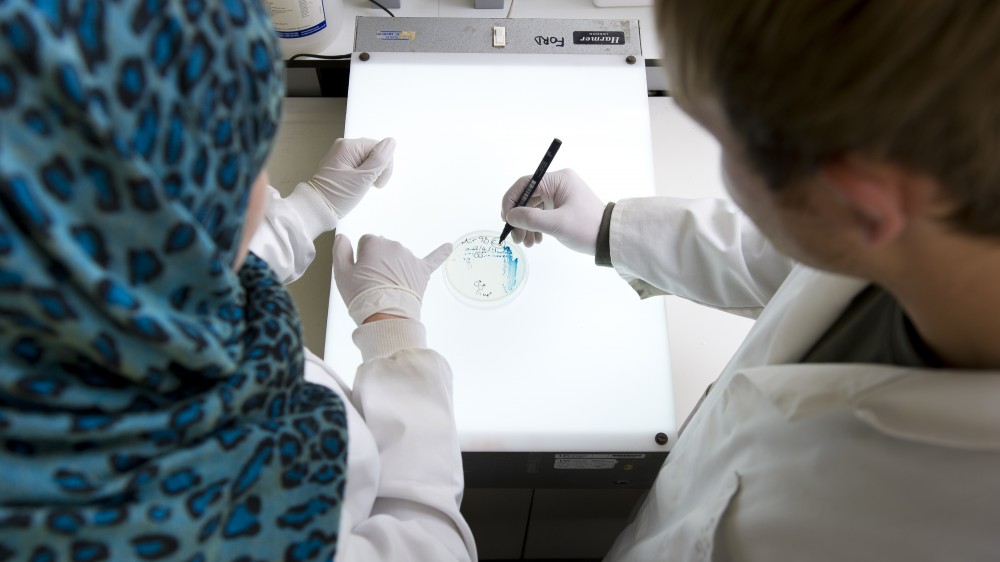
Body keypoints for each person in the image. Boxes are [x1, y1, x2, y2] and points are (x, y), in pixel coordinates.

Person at [500, 1, 1000, 560]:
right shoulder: (935, 222)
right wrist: (608, 227)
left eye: (725, 145)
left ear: (860, 198)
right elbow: (793, 255)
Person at [0, 0, 475, 560]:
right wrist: (392, 330)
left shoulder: (41, 271)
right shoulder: (213, 509)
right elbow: (428, 547)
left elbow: (152, 263)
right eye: (248, 160)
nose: (262, 182)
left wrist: (309, 210)